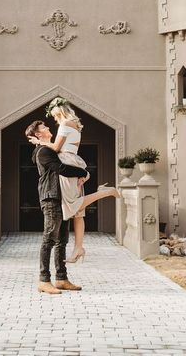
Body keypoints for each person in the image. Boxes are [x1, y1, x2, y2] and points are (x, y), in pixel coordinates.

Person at [31, 97, 119, 264]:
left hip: (67, 162)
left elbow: (56, 148)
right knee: (78, 213)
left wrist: (40, 142)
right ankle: (78, 248)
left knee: (71, 205)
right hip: (74, 159)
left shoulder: (65, 125)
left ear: (59, 112)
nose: (55, 121)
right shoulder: (75, 125)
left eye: (55, 117)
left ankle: (104, 192)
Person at [26, 119, 87, 294]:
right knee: (49, 239)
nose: (48, 128)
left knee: (62, 241)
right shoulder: (43, 151)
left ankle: (61, 278)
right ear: (38, 134)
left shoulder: (48, 148)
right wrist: (83, 172)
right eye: (44, 127)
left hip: (61, 198)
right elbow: (61, 168)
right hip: (51, 197)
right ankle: (43, 280)